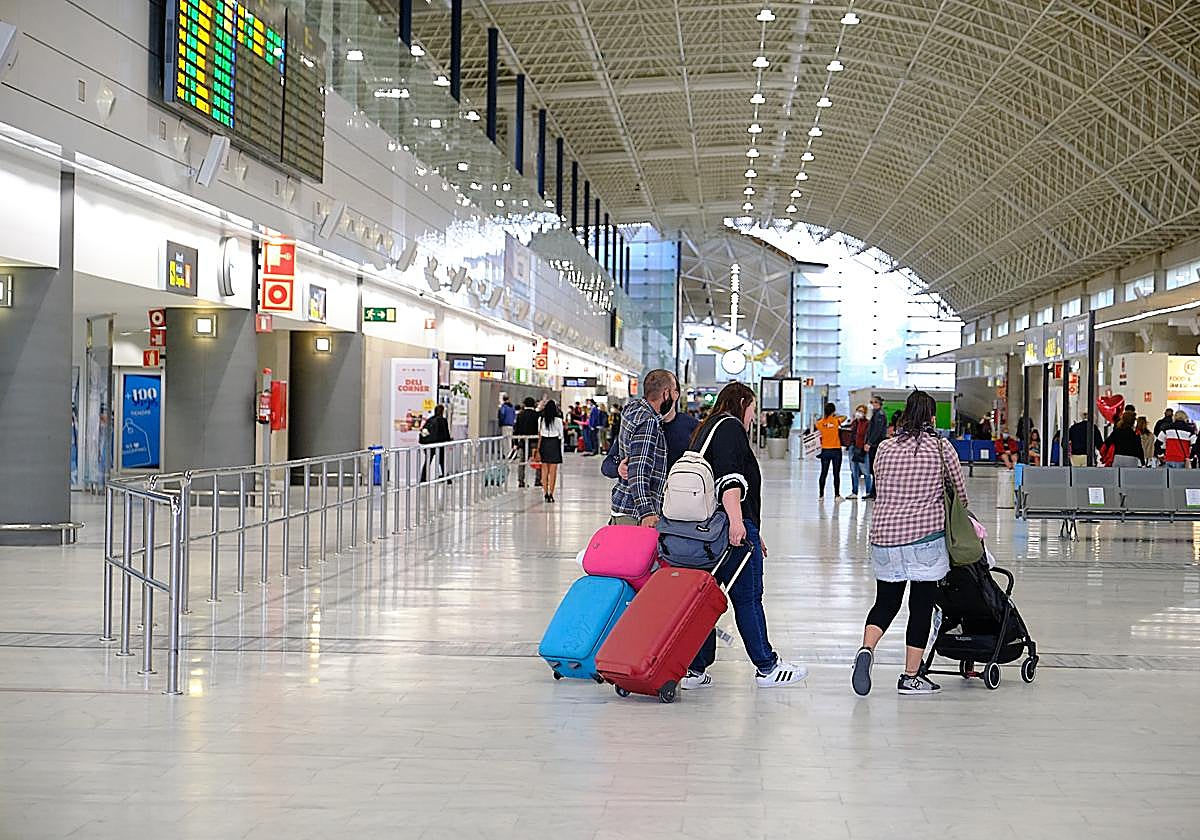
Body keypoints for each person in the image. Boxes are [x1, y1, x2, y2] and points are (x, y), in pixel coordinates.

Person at [680, 382, 809, 691]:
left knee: (705, 598)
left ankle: (695, 669)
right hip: (728, 527)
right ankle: (767, 667)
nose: (753, 416)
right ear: (741, 403)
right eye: (752, 408)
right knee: (748, 597)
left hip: (704, 530)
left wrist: (753, 527)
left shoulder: (705, 429)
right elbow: (730, 480)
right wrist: (740, 523)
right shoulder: (730, 427)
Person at [852, 389, 966, 697]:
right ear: (931, 417)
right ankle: (910, 677)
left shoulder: (886, 448)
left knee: (886, 603)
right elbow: (961, 492)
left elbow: (878, 483)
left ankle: (866, 648)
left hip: (885, 537)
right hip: (925, 539)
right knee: (920, 607)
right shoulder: (941, 449)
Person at [609, 369, 676, 526]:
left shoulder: (632, 410)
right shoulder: (648, 422)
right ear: (666, 393)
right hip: (635, 513)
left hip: (623, 505)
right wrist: (647, 511)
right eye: (673, 392)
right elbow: (638, 469)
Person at [814, 402, 846, 499]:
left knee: (823, 472)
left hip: (825, 450)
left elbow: (817, 427)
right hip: (836, 450)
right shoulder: (836, 421)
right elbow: (845, 417)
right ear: (833, 411)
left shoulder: (820, 423)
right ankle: (836, 495)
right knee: (836, 473)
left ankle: (821, 495)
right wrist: (835, 415)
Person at [537, 400, 565, 502]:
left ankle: (545, 493)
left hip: (544, 444)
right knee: (553, 472)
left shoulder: (541, 419)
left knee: (544, 471)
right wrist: (561, 452)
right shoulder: (558, 420)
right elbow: (561, 436)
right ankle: (551, 494)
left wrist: (538, 450)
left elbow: (539, 434)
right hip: (554, 444)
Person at [419, 405, 451, 482]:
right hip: (440, 444)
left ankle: (423, 478)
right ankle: (447, 478)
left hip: (430, 444)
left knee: (427, 461)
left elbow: (424, 431)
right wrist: (449, 441)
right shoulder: (443, 420)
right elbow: (446, 433)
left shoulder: (430, 420)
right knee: (442, 461)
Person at [864, 394, 887, 500]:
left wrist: (870, 443)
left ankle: (876, 493)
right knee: (873, 470)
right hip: (874, 445)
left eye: (873, 402)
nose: (871, 404)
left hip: (876, 445)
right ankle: (873, 492)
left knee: (876, 470)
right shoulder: (876, 414)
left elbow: (877, 431)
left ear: (878, 403)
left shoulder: (880, 415)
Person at [513, 397, 540, 488]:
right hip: (535, 442)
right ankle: (538, 480)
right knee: (537, 461)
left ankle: (521, 481)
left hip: (523, 442)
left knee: (522, 462)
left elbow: (516, 429)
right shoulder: (537, 415)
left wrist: (515, 442)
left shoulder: (520, 415)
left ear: (524, 404)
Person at [846, 404, 871, 500]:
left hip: (862, 449)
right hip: (853, 448)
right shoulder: (855, 422)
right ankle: (854, 492)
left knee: (865, 471)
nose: (859, 413)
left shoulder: (867, 423)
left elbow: (867, 435)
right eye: (858, 410)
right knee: (853, 471)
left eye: (861, 411)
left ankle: (868, 492)